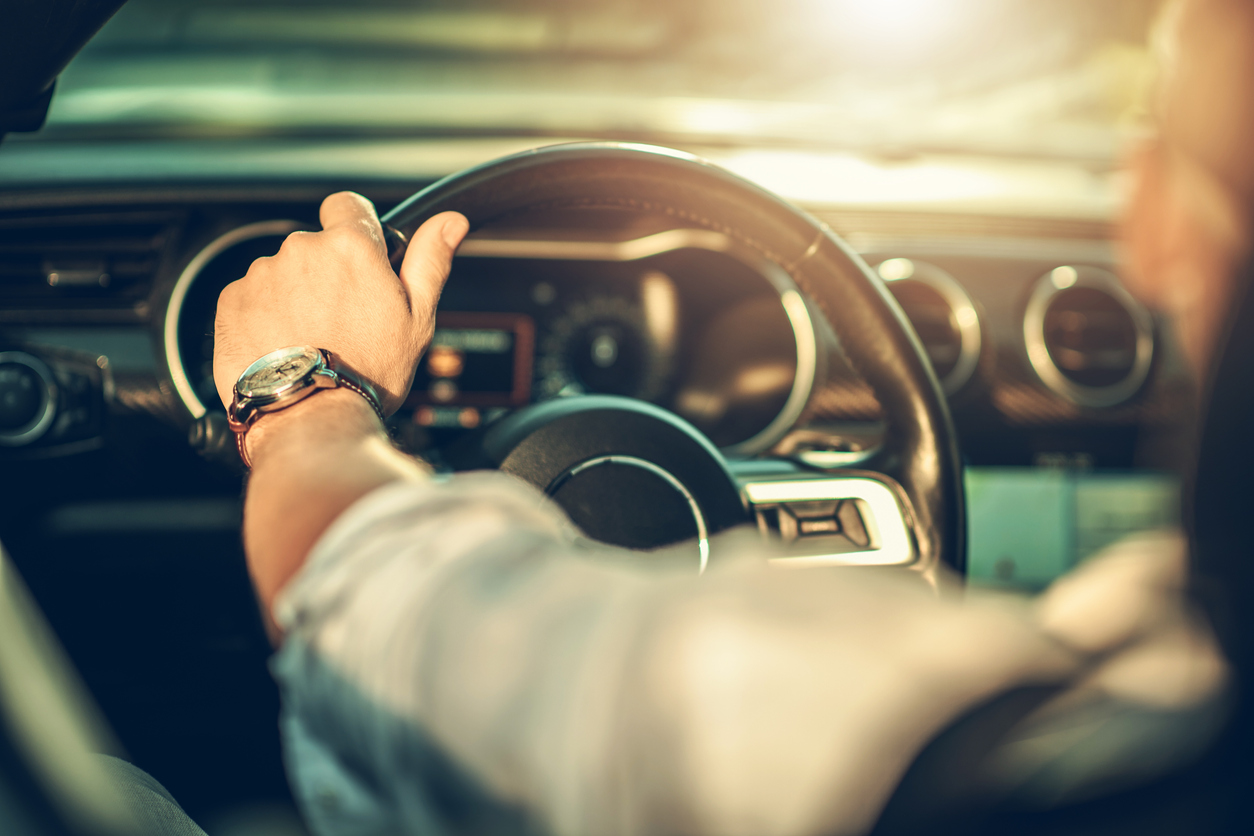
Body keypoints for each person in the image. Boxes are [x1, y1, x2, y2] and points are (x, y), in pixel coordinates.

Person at [209, 0, 1249, 833]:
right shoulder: (1149, 637)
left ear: (1149, 220)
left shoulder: (936, 741)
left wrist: (304, 392)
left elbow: (368, 603)